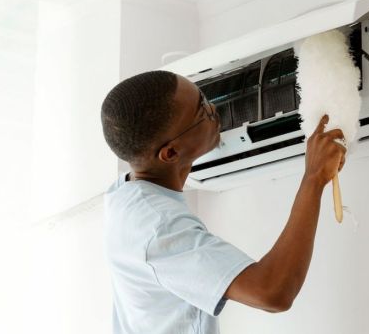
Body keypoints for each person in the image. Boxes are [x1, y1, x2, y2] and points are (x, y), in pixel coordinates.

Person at [100, 70, 346, 334]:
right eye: (202, 112)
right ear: (170, 153)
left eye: (204, 98)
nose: (214, 109)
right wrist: (313, 178)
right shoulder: (158, 228)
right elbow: (273, 291)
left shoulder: (125, 193)